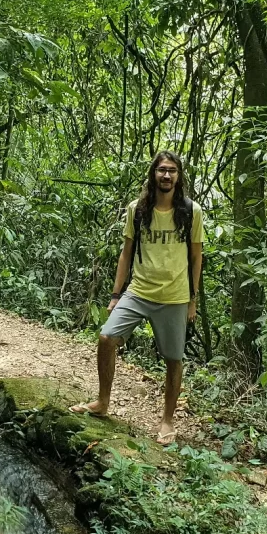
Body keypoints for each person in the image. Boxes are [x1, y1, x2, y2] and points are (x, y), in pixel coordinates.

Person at [70, 150, 204, 445]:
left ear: (178, 176)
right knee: (106, 338)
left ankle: (167, 421)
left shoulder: (191, 212)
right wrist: (116, 294)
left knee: (173, 359)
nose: (166, 175)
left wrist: (192, 299)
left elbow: (196, 257)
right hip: (139, 290)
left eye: (172, 171)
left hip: (175, 296)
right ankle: (103, 402)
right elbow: (126, 252)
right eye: (161, 170)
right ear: (153, 174)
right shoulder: (138, 209)